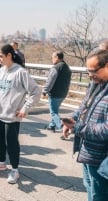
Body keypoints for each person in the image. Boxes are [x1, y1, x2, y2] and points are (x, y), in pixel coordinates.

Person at [0, 44, 41, 184]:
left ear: (9, 55)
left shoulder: (20, 72)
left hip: (12, 116)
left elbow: (36, 91)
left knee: (12, 143)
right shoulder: (0, 71)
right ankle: (1, 163)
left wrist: (25, 108)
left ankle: (15, 170)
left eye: (0, 56)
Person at [61, 49, 108, 200]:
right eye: (88, 71)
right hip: (87, 149)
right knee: (89, 188)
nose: (90, 75)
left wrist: (78, 127)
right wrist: (71, 120)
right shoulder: (95, 83)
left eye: (93, 71)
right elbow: (83, 107)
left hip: (100, 157)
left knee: (98, 195)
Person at [43, 51, 72, 132]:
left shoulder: (55, 68)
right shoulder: (67, 68)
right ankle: (51, 126)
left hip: (54, 93)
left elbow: (50, 81)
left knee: (53, 113)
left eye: (52, 57)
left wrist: (45, 90)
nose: (52, 59)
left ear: (56, 57)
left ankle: (62, 126)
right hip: (63, 93)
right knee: (55, 110)